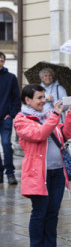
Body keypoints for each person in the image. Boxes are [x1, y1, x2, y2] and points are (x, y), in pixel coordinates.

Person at [14, 84, 71, 247]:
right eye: (39, 98)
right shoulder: (21, 119)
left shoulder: (48, 116)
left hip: (57, 172)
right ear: (28, 100)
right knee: (39, 213)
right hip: (37, 175)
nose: (44, 100)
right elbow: (39, 134)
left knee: (52, 214)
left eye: (44, 97)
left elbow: (66, 134)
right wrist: (56, 115)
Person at [0, 51, 20, 185]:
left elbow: (16, 98)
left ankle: (10, 173)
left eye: (1, 60)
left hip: (6, 118)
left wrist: (12, 114)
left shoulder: (11, 77)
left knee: (6, 144)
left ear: (4, 61)